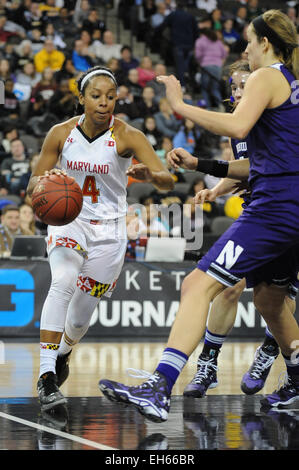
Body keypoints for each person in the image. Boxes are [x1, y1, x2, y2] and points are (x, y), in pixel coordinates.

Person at [99, 10, 299, 421]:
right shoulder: (293, 85)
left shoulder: (267, 76)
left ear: (265, 42)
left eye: (248, 41)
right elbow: (259, 161)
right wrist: (204, 167)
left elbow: (239, 127)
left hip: (275, 208)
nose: (244, 50)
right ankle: (297, 375)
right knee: (268, 299)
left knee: (196, 285)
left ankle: (160, 385)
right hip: (289, 205)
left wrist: (179, 104)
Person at [26, 65, 174, 411]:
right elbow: (32, 185)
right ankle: (46, 375)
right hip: (70, 222)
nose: (104, 103)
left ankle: (63, 353)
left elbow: (168, 180)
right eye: (96, 96)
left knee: (79, 317)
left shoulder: (128, 136)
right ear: (81, 98)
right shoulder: (60, 134)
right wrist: (47, 179)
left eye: (111, 96)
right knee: (62, 281)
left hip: (109, 231)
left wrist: (149, 175)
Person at [183, 59, 297, 398]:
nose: (238, 91)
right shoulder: (243, 127)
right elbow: (248, 169)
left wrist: (205, 167)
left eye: (244, 85)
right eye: (234, 86)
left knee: (276, 299)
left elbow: (254, 167)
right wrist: (218, 188)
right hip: (260, 213)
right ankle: (209, 363)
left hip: (285, 212)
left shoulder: (277, 116)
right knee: (228, 288)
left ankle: (269, 351)